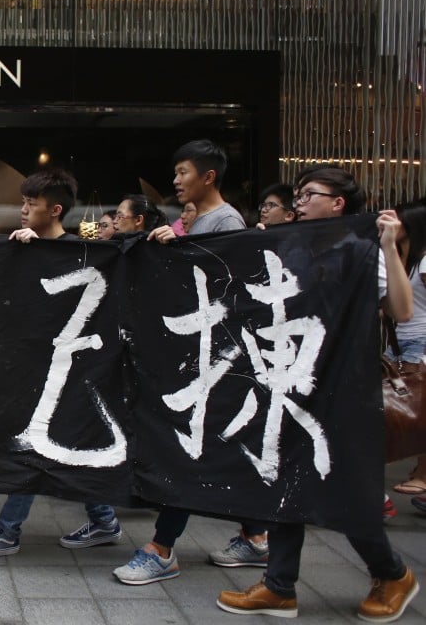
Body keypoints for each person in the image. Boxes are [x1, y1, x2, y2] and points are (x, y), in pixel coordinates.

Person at [217, 166, 418, 621]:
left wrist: (388, 247)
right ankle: (279, 585)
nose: (300, 202)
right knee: (286, 481)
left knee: (344, 487)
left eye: (310, 195)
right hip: (293, 384)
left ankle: (391, 573)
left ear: (338, 203)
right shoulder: (292, 246)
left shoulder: (361, 250)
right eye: (299, 196)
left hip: (344, 391)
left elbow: (402, 312)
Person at [114, 141, 263, 584]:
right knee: (214, 446)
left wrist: (179, 245)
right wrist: (174, 238)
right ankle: (257, 537)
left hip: (213, 358)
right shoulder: (196, 218)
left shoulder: (226, 220)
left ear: (208, 176)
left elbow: (220, 285)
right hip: (196, 355)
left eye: (182, 172)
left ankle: (162, 547)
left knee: (189, 447)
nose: (176, 181)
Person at [0, 168, 122, 558]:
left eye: (32, 204)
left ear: (56, 210)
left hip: (70, 371)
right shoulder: (26, 245)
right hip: (37, 368)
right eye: (23, 202)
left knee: (33, 447)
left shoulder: (79, 252)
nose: (23, 210)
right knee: (59, 446)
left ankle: (8, 530)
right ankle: (103, 520)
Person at [381, 201, 426, 501]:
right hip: (400, 341)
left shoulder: (423, 261)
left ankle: (423, 475)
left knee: (419, 407)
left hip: (419, 341)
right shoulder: (401, 258)